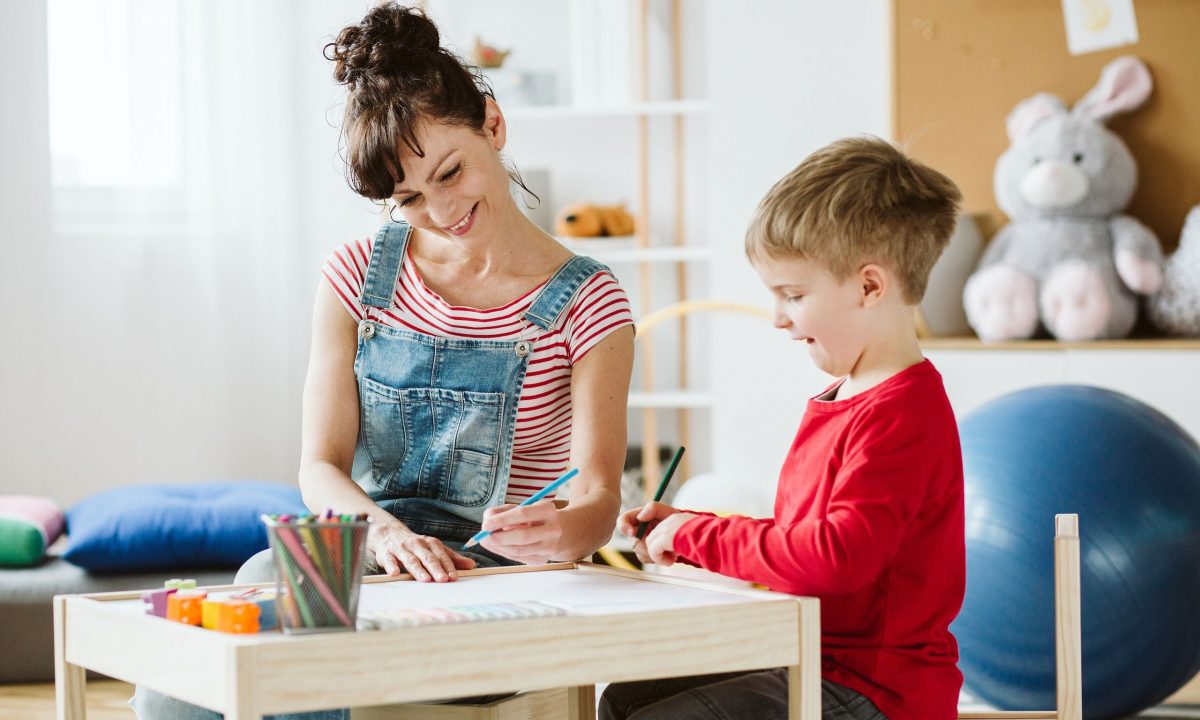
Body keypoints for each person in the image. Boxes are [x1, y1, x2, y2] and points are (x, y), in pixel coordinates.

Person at [132, 4, 633, 718]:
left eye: (451, 172)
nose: (441, 210)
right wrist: (388, 534)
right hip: (368, 546)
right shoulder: (357, 276)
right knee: (214, 636)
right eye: (408, 199)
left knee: (312, 644)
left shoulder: (590, 301)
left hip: (492, 580)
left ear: (492, 124)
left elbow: (599, 501)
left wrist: (563, 530)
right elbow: (321, 467)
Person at [599, 137, 966, 720]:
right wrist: (692, 530)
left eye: (793, 295)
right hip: (810, 657)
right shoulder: (844, 396)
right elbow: (804, 538)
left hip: (877, 689)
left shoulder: (903, 414)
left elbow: (834, 556)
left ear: (871, 287)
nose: (777, 318)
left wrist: (697, 538)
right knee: (624, 699)